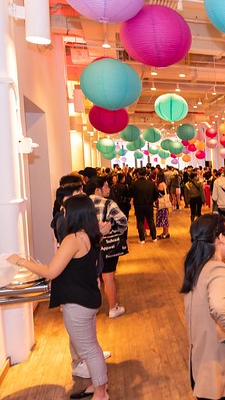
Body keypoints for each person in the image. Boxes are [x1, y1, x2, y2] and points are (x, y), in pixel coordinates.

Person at [8, 195, 109, 400]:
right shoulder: (88, 235)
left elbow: (50, 271)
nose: (62, 214)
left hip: (78, 302)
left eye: (65, 210)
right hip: (87, 297)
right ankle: (99, 386)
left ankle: (101, 393)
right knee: (91, 346)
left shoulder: (73, 239)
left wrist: (20, 261)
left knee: (88, 349)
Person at [180, 214, 225, 400]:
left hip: (203, 368)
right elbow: (219, 305)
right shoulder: (218, 270)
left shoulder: (197, 268)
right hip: (223, 372)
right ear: (220, 238)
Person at [86, 176, 128, 319]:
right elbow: (123, 220)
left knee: (93, 275)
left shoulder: (82, 204)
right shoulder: (109, 203)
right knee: (108, 275)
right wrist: (114, 230)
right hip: (107, 245)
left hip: (87, 245)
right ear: (97, 189)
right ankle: (112, 308)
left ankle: (94, 308)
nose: (109, 189)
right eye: (106, 187)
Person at [129, 168, 158, 244]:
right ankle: (154, 237)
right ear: (146, 174)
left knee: (140, 221)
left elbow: (131, 194)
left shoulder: (134, 183)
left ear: (138, 174)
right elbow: (156, 193)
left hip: (138, 205)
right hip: (149, 204)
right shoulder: (151, 183)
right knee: (150, 220)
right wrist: (152, 199)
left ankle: (142, 239)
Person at [156, 170, 171, 239]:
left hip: (162, 204)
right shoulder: (164, 183)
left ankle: (166, 232)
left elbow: (159, 194)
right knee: (165, 217)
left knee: (163, 218)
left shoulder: (160, 185)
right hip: (165, 203)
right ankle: (164, 232)